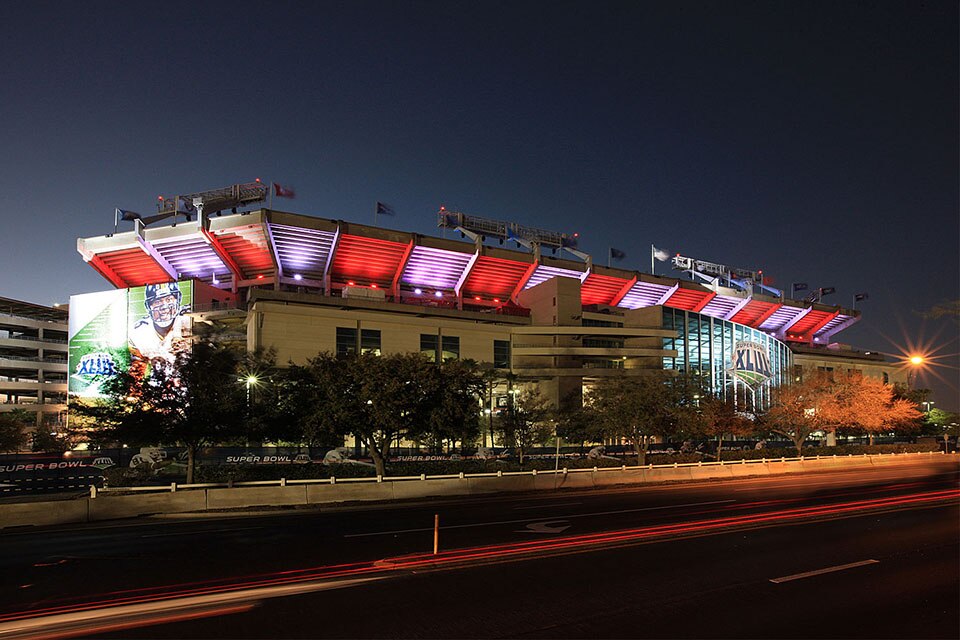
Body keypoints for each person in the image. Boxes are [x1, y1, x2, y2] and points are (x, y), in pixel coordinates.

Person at [128, 282, 191, 367]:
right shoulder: (137, 332)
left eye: (169, 299)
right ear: (149, 306)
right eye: (158, 302)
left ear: (177, 300)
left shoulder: (188, 322)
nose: (164, 306)